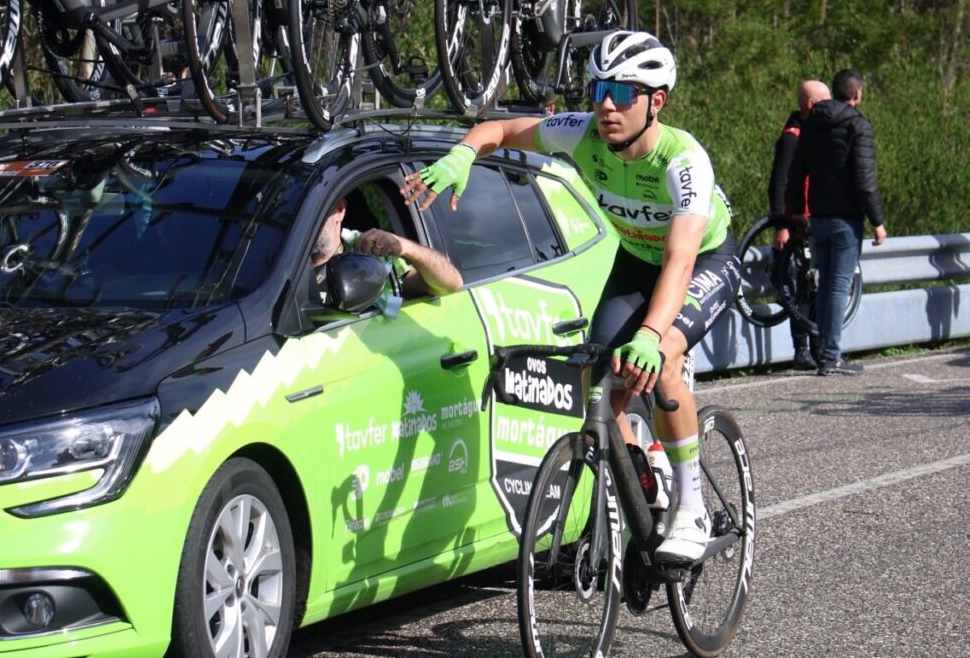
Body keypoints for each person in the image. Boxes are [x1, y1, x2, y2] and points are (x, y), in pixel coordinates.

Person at [401, 30, 740, 565]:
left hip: (703, 262)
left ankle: (691, 507)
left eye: (623, 93)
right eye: (598, 88)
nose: (606, 104)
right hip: (636, 260)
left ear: (657, 101)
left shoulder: (684, 162)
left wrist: (652, 336)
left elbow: (679, 261)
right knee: (600, 387)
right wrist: (464, 154)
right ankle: (642, 479)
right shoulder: (580, 133)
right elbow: (503, 127)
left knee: (664, 361)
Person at [787, 68, 886, 376]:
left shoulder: (812, 124)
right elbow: (865, 180)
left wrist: (795, 212)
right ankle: (830, 355)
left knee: (826, 284)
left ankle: (826, 353)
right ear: (856, 94)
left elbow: (796, 171)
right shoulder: (859, 125)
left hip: (818, 217)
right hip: (846, 219)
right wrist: (878, 221)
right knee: (838, 286)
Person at [768, 79, 831, 370]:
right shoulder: (792, 137)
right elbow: (779, 183)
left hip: (815, 221)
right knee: (800, 287)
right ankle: (802, 349)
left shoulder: (816, 133)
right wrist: (781, 226)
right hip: (794, 223)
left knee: (817, 287)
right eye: (825, 103)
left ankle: (820, 347)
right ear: (811, 104)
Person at [311, 196, 463, 301]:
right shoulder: (288, 259)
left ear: (339, 210)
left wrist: (405, 246)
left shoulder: (366, 260)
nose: (305, 224)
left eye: (316, 210)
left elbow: (452, 285)